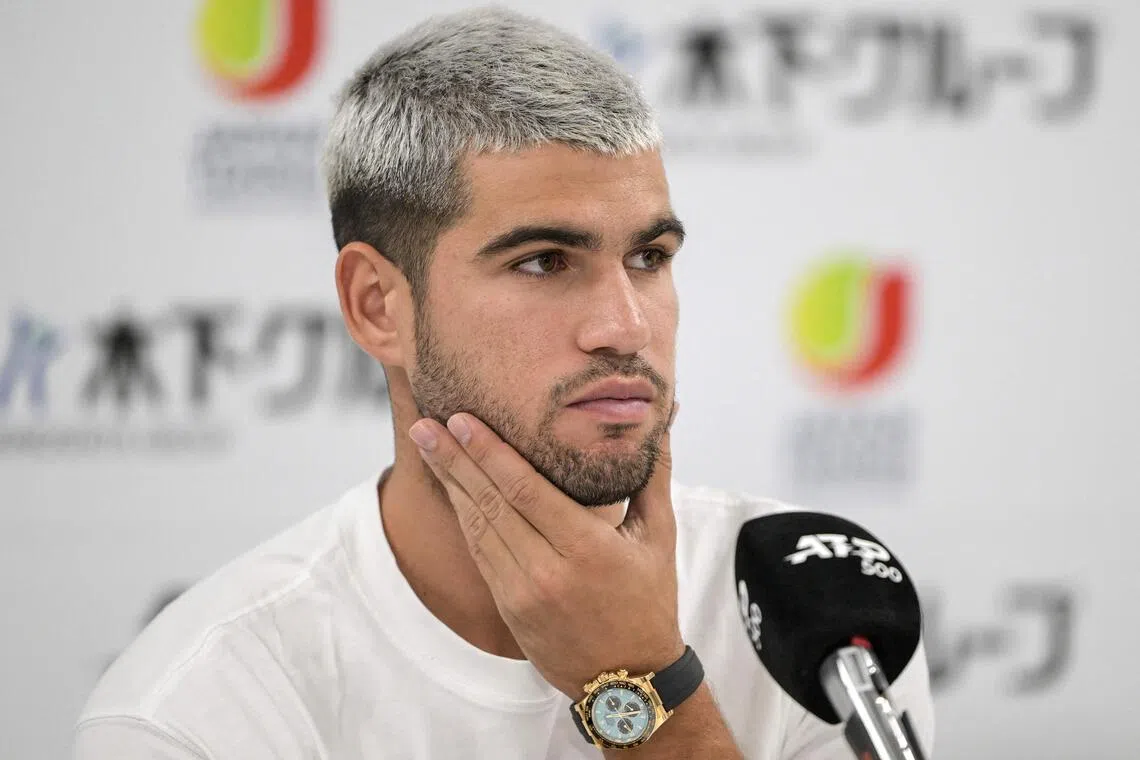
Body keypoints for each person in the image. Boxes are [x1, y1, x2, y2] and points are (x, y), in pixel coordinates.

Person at [74, 8, 934, 759]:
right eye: (542, 261)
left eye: (649, 257)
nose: (626, 326)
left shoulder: (808, 610)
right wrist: (636, 692)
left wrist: (641, 697)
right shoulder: (196, 712)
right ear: (379, 306)